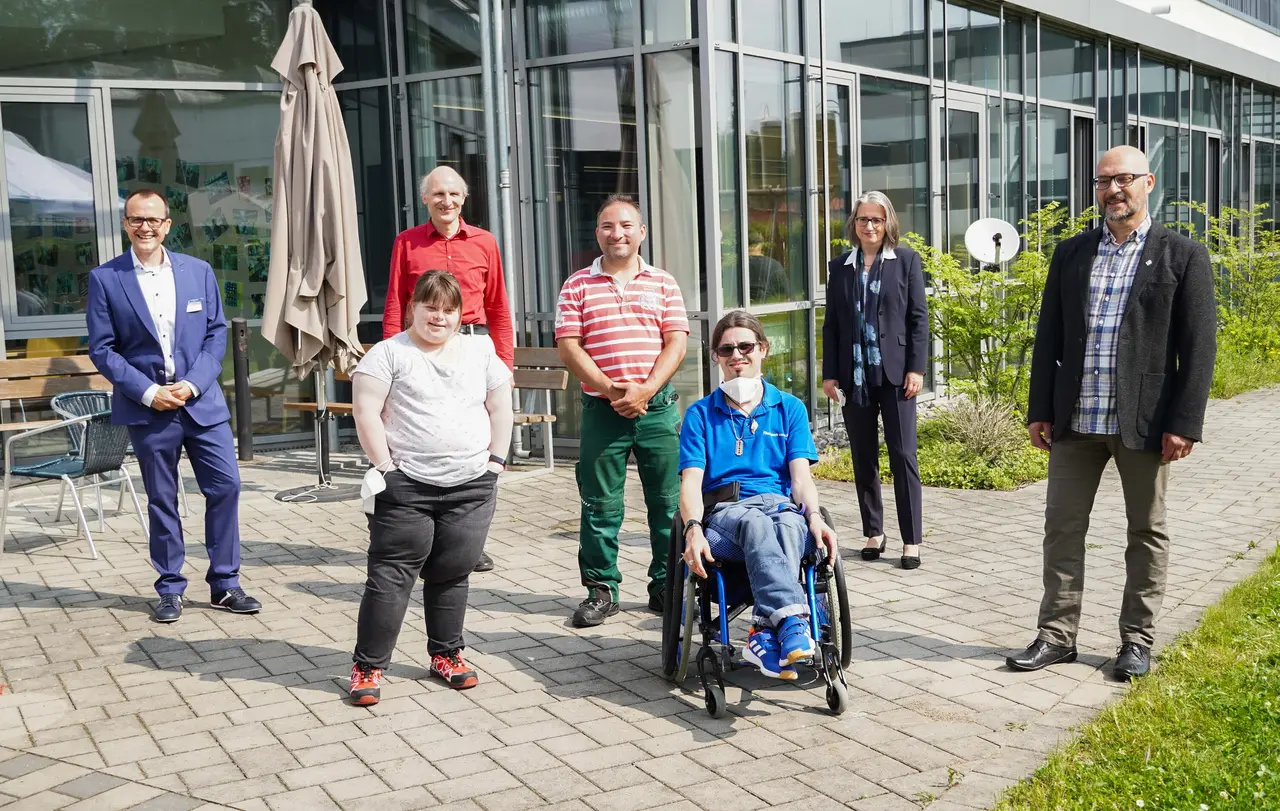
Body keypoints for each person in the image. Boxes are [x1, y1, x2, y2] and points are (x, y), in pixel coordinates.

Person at [1007, 145, 1216, 681]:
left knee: (1146, 531)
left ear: (1148, 182)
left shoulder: (1182, 255)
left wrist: (1185, 423)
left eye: (1123, 179)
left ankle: (1136, 641)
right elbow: (1049, 335)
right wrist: (1039, 408)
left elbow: (1199, 348)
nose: (1113, 190)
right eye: (1103, 181)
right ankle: (1057, 636)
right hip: (1076, 419)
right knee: (1061, 528)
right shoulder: (1072, 253)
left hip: (1143, 422)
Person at [86, 189, 261, 623]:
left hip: (201, 403)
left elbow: (215, 333)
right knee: (162, 499)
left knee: (226, 487)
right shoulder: (106, 279)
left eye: (153, 219)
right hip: (148, 408)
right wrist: (148, 391)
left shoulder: (198, 271)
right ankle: (169, 588)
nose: (144, 227)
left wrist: (193, 384)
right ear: (125, 224)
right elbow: (103, 349)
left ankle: (225, 584)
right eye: (136, 219)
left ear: (167, 225)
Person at [348, 270, 514, 705]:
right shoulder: (387, 354)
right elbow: (365, 412)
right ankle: (368, 666)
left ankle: (446, 655)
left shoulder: (480, 352)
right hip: (405, 487)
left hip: (472, 486)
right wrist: (386, 468)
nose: (439, 317)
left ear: (460, 314)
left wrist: (495, 463)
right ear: (413, 308)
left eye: (448, 309)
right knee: (390, 577)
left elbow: (501, 407)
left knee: (452, 573)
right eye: (430, 307)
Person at [678, 311, 838, 678]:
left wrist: (814, 517)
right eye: (726, 349)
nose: (737, 355)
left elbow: (800, 479)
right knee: (756, 523)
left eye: (746, 346)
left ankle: (764, 631)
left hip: (781, 508)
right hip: (727, 511)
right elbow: (690, 482)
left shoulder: (789, 408)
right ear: (716, 357)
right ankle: (791, 622)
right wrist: (692, 528)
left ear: (763, 349)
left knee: (789, 524)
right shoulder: (700, 415)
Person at [554, 194, 689, 627]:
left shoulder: (663, 282)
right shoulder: (577, 285)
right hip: (602, 410)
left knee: (668, 504)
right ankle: (601, 590)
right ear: (598, 233)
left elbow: (677, 343)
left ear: (641, 232)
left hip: (658, 410)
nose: (618, 234)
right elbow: (569, 347)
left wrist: (645, 389)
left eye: (627, 226)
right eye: (608, 226)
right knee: (599, 505)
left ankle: (667, 586)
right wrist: (612, 390)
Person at [382, 165, 514, 574]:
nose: (447, 201)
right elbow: (395, 303)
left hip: (473, 344)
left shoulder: (485, 242)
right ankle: (425, 534)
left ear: (464, 198)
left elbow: (498, 306)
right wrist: (389, 364)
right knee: (429, 432)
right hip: (422, 348)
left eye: (454, 194)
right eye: (438, 194)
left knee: (473, 436)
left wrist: (505, 366)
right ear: (425, 199)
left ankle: (467, 539)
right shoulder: (407, 242)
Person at [821, 191, 929, 569]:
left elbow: (918, 319)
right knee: (863, 456)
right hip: (854, 377)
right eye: (863, 219)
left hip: (896, 375)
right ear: (854, 224)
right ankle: (874, 532)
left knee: (903, 456)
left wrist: (916, 369)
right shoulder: (841, 266)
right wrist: (830, 374)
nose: (869, 226)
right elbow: (832, 325)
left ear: (887, 224)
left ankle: (911, 540)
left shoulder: (906, 261)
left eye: (876, 220)